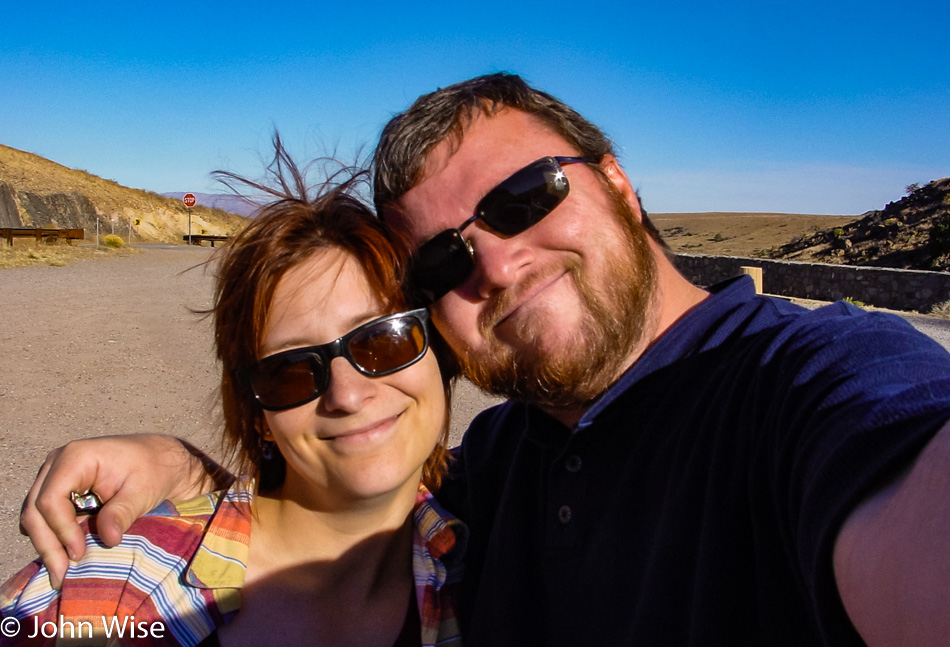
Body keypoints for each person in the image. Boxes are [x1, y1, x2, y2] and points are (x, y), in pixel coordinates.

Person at [17, 74, 950, 646]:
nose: (498, 263)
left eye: (521, 198)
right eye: (445, 262)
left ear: (616, 179)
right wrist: (193, 476)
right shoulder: (495, 473)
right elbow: (339, 497)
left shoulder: (808, 378)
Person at [1, 148, 464, 647]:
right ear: (258, 414)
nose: (347, 394)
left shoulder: (492, 561)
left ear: (436, 350)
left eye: (383, 339)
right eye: (289, 371)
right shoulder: (110, 589)